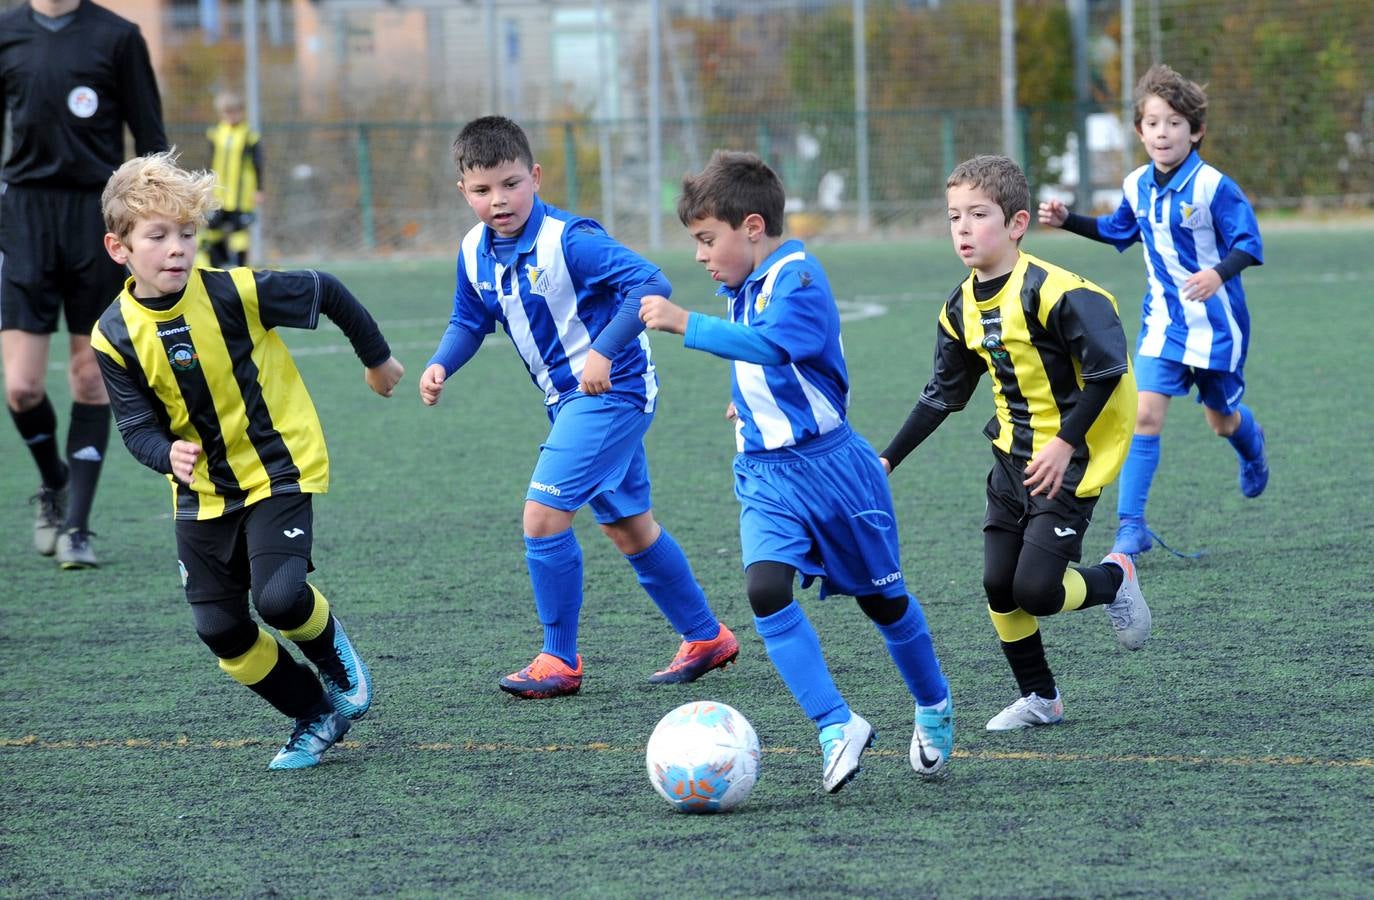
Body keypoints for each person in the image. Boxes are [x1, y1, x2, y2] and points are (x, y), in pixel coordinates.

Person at [640, 150, 954, 791]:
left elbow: (779, 345)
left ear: (751, 227)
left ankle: (934, 703)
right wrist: (750, 396)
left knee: (884, 602)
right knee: (765, 590)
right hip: (765, 473)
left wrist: (684, 324)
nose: (700, 256)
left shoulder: (798, 277)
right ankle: (836, 724)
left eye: (707, 239)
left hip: (834, 470)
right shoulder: (740, 284)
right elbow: (766, 364)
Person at [92, 151, 405, 770]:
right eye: (158, 236)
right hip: (201, 495)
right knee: (219, 630)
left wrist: (377, 358)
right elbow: (135, 427)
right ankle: (314, 715)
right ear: (119, 247)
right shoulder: (113, 335)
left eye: (186, 233)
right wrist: (166, 453)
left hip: (276, 468)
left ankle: (333, 652)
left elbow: (325, 289)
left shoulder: (232, 293)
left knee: (282, 597)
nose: (177, 248)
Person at [419, 116, 739, 700]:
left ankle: (558, 659)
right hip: (566, 401)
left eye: (511, 183)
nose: (499, 200)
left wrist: (603, 349)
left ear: (535, 178)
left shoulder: (570, 239)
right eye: (483, 190)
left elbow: (650, 282)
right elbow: (470, 318)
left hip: (612, 393)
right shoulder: (473, 251)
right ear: (462, 192)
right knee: (628, 528)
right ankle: (706, 636)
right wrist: (442, 362)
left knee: (542, 515)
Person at [881, 155, 1152, 732]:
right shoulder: (958, 309)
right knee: (997, 585)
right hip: (1012, 457)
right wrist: (886, 460)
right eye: (955, 215)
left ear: (1017, 223)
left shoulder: (1061, 293)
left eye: (979, 214)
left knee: (1036, 589)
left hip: (1073, 458)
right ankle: (1041, 699)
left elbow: (1108, 369)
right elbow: (941, 396)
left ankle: (1114, 579)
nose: (963, 228)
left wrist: (1064, 443)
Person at [1039, 63, 1266, 557]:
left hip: (1217, 326)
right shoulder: (1136, 184)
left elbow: (1248, 242)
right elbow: (1117, 230)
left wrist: (1216, 274)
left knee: (1221, 421)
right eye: (1153, 122)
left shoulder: (1213, 187)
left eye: (1175, 123)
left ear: (1196, 131)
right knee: (1144, 415)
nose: (1163, 132)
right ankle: (1132, 525)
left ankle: (1252, 447)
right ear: (1140, 130)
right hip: (1163, 323)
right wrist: (1068, 221)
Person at [0, 0, 168, 569]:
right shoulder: (7, 31)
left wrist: (152, 231)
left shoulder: (118, 36)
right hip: (23, 216)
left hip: (96, 220)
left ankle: (77, 528)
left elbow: (149, 139)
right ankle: (56, 483)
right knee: (21, 387)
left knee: (88, 376)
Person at [198, 89, 263, 269]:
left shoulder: (249, 135)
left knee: (239, 233)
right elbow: (209, 161)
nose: (231, 116)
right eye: (227, 112)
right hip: (219, 194)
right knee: (211, 231)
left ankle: (241, 269)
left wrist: (259, 189)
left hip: (242, 195)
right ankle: (218, 265)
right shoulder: (216, 133)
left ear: (241, 112)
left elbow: (258, 164)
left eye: (234, 111)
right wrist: (207, 186)